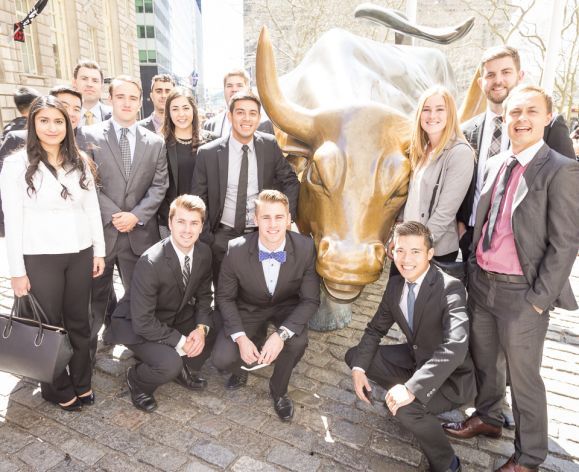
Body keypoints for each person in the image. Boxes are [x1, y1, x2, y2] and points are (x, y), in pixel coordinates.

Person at [442, 85, 579, 472]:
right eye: (515, 112)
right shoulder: (494, 163)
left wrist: (539, 299)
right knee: (486, 362)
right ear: (505, 118)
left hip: (523, 294)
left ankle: (530, 456)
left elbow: (566, 243)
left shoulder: (560, 169)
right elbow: (482, 220)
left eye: (531, 112)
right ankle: (488, 417)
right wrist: (471, 269)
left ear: (547, 118)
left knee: (524, 381)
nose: (521, 119)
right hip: (482, 282)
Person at [0, 95, 105, 411]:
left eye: (58, 121)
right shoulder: (16, 164)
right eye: (44, 120)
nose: (51, 127)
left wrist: (98, 251)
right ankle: (57, 387)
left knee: (80, 323)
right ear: (33, 123)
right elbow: (12, 220)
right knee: (50, 326)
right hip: (40, 256)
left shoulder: (81, 160)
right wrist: (16, 271)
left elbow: (91, 208)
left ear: (68, 125)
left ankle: (82, 382)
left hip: (80, 253)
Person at [346, 221, 474, 472]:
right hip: (415, 358)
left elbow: (456, 347)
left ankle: (448, 462)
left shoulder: (450, 288)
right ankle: (403, 392)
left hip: (450, 378)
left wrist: (412, 388)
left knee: (404, 411)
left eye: (415, 251)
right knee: (356, 356)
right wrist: (359, 369)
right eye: (400, 250)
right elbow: (375, 330)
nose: (406, 259)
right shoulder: (395, 285)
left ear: (429, 254)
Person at [76, 75, 169, 365]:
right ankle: (86, 357)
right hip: (102, 232)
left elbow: (159, 185)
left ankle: (138, 346)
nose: (127, 103)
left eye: (132, 98)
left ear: (140, 102)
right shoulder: (89, 136)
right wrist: (115, 215)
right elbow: (86, 180)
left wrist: (135, 216)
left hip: (139, 234)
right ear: (110, 99)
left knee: (139, 296)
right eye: (120, 97)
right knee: (96, 297)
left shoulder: (155, 141)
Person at [457, 46, 575, 262]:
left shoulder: (549, 126)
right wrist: (462, 230)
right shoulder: (465, 131)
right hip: (471, 240)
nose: (498, 80)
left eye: (506, 72)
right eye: (490, 74)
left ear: (520, 77)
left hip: (524, 250)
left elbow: (567, 192)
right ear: (480, 82)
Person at [212, 190, 320, 421]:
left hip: (285, 306)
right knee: (222, 357)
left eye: (279, 217)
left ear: (289, 219)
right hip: (249, 306)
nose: (273, 225)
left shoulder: (305, 248)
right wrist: (240, 338)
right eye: (266, 217)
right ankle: (241, 368)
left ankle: (279, 390)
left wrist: (281, 335)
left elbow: (311, 299)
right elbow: (225, 297)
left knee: (297, 340)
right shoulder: (236, 249)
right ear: (255, 219)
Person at [104, 195, 216, 413]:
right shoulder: (151, 262)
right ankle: (137, 380)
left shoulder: (204, 252)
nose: (187, 230)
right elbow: (143, 322)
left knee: (216, 327)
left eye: (194, 223)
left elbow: (204, 296)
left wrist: (201, 330)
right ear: (170, 224)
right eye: (181, 222)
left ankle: (182, 366)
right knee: (168, 364)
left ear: (202, 226)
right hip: (136, 324)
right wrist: (182, 340)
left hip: (173, 314)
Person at [191, 91, 299, 286]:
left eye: (252, 113)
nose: (247, 118)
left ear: (259, 118)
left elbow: (290, 180)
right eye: (240, 112)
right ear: (230, 116)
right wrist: (210, 239)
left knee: (260, 291)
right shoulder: (208, 153)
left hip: (261, 235)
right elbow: (199, 199)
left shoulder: (269, 145)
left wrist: (286, 218)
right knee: (225, 293)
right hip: (222, 237)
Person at [392, 86, 474, 266]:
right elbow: (408, 200)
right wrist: (398, 238)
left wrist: (418, 249)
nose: (432, 115)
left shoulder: (460, 153)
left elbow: (445, 213)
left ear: (450, 113)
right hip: (406, 247)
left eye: (439, 109)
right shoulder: (419, 150)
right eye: (426, 110)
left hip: (432, 252)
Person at [0, 86, 84, 237]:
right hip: (35, 241)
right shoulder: (18, 141)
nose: (70, 113)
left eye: (77, 108)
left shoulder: (87, 140)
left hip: (79, 240)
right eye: (64, 106)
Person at [157, 86, 214, 237]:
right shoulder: (159, 144)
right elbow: (156, 186)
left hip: (205, 222)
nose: (181, 114)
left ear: (193, 110)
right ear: (168, 113)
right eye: (175, 109)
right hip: (172, 222)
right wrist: (170, 218)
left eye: (185, 108)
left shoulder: (212, 141)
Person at [203, 68, 274, 136]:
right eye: (229, 86)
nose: (234, 89)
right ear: (224, 90)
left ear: (248, 89)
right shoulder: (210, 125)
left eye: (239, 85)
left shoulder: (265, 125)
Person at [72, 60, 112, 127]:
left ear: (102, 85)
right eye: (84, 79)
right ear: (74, 82)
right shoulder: (64, 116)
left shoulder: (116, 117)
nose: (89, 84)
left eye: (95, 80)